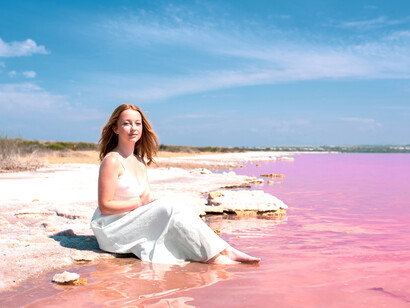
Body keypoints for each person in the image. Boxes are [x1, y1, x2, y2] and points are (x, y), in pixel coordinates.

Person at [91, 104, 260, 265]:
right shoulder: (112, 161)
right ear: (115, 129)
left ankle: (223, 251)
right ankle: (213, 256)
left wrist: (152, 203)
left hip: (132, 220)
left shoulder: (140, 161)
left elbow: (147, 197)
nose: (133, 128)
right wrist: (140, 203)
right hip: (113, 230)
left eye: (138, 123)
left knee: (176, 207)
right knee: (168, 208)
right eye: (126, 124)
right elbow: (105, 206)